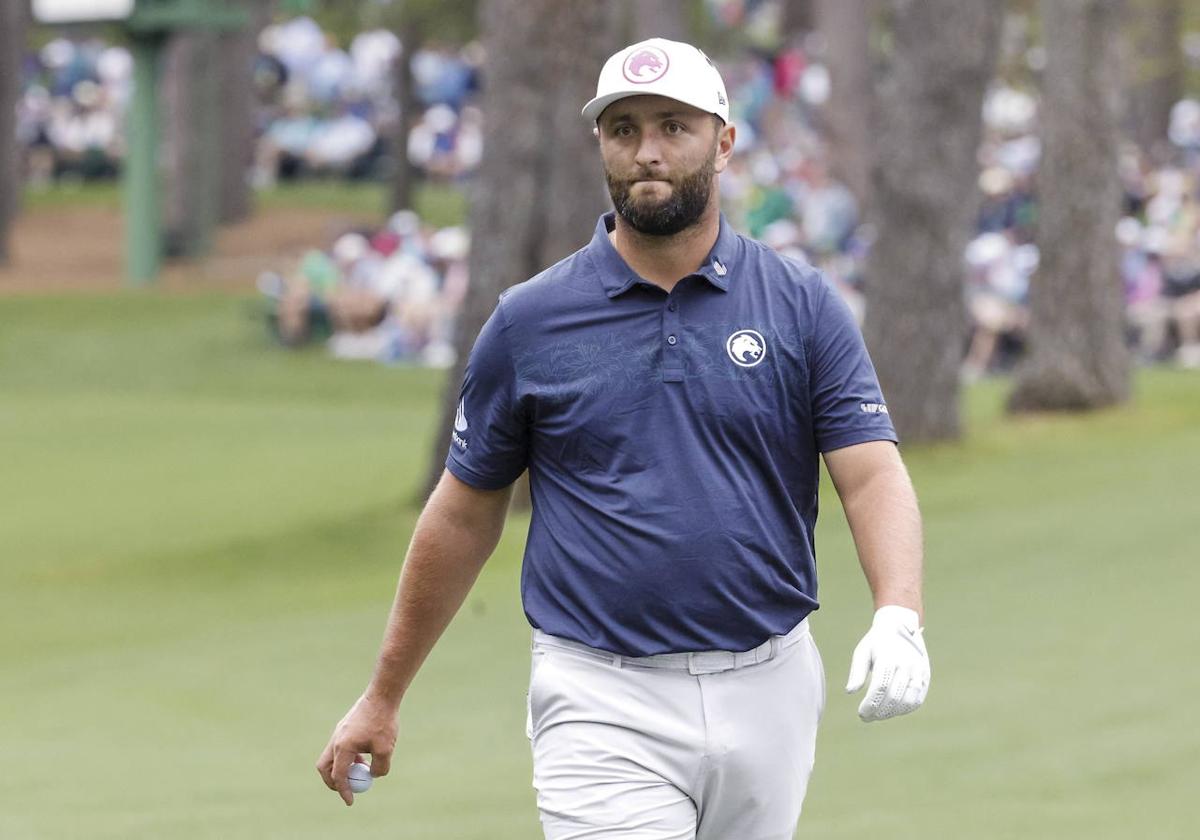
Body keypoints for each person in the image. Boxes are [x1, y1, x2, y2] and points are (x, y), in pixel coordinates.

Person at [317, 38, 931, 839]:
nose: (648, 151)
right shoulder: (531, 321)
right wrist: (383, 695)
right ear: (600, 143)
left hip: (769, 684)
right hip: (599, 693)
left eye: (675, 126)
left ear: (724, 140)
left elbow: (871, 475)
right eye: (624, 128)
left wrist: (899, 614)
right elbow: (465, 511)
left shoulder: (800, 305)